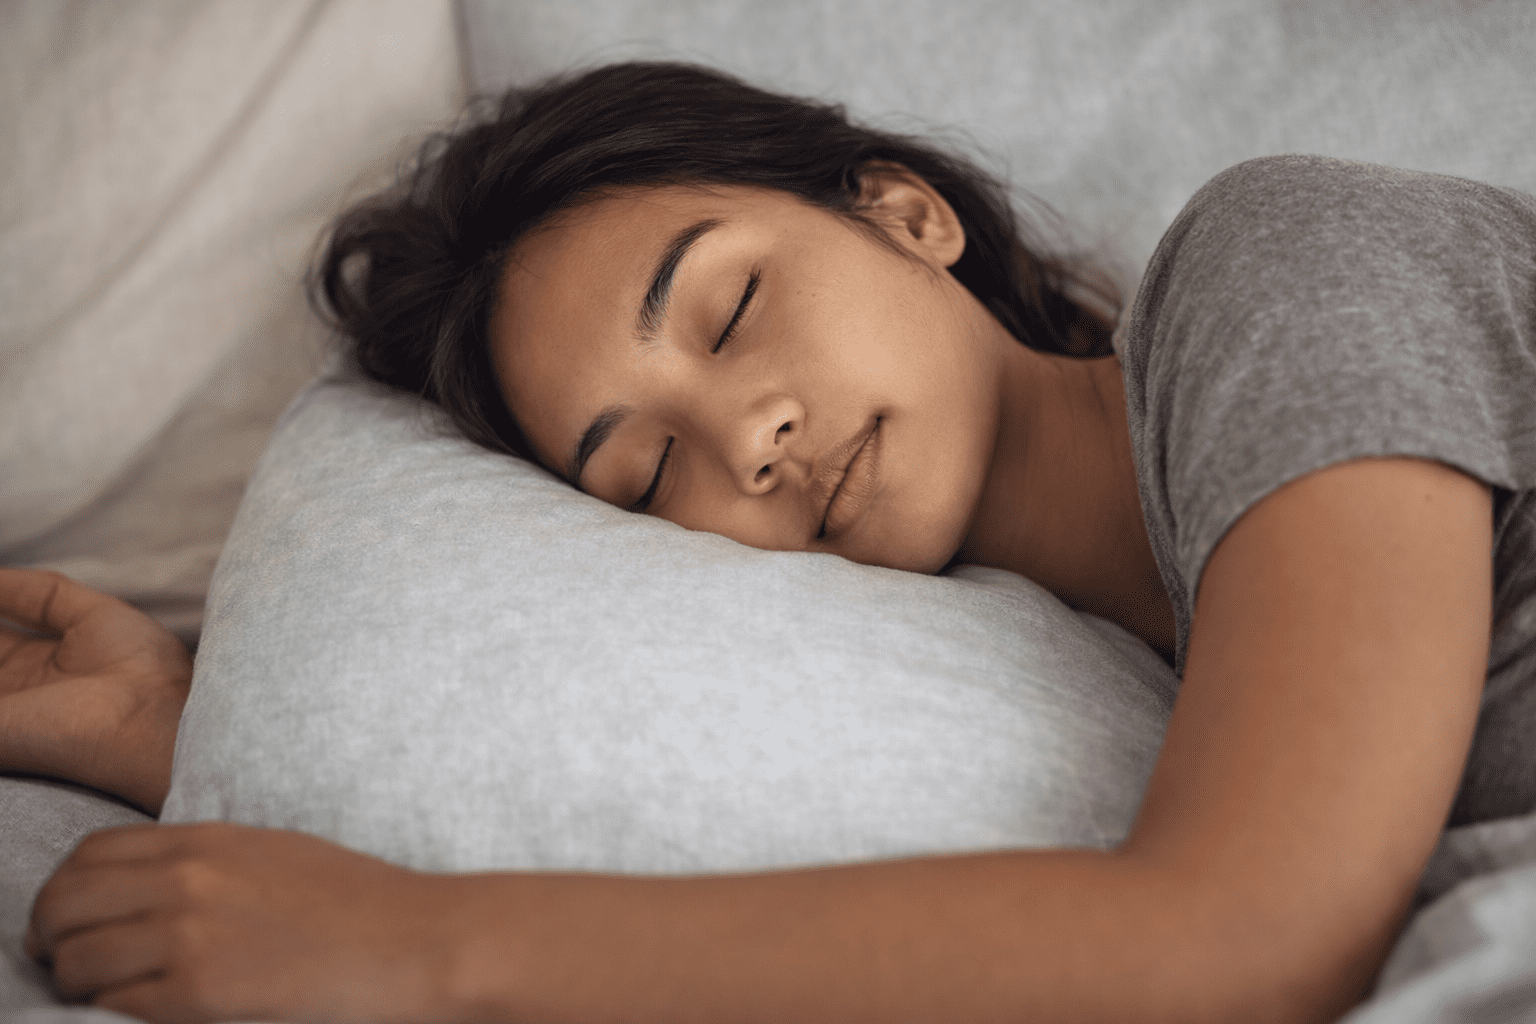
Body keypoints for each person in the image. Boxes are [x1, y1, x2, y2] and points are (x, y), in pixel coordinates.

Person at [3, 60, 1533, 1024]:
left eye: (729, 309)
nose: (748, 442)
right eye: (649, 471)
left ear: (905, 213)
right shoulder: (1110, 658)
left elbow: (1252, 942)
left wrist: (426, 951)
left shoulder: (1277, 267)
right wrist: (199, 729)